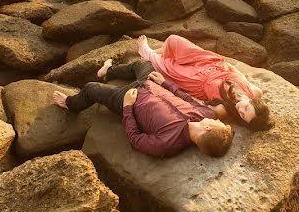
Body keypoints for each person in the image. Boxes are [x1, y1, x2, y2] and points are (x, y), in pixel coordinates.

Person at [52, 59, 234, 158]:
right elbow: (186, 98)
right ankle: (108, 72)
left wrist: (128, 108)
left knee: (91, 88)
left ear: (208, 128)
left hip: (127, 97)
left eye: (216, 123)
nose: (216, 119)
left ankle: (70, 104)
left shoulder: (166, 144)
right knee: (142, 63)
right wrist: (166, 83)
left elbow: (135, 139)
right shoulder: (205, 114)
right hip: (150, 83)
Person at [135, 34, 273, 131]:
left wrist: (168, 84)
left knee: (165, 64)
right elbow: (239, 73)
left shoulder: (224, 110)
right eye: (246, 108)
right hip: (212, 66)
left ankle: (149, 54)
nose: (240, 110)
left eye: (242, 115)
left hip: (194, 81)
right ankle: (158, 54)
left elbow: (195, 103)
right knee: (173, 40)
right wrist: (223, 63)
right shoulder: (256, 92)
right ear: (253, 101)